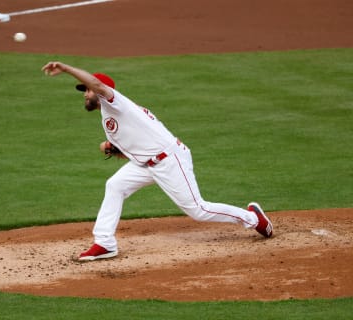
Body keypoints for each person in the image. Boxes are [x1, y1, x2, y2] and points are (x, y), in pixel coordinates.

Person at [41, 61, 273, 261]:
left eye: (88, 90)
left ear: (100, 91)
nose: (85, 93)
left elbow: (98, 84)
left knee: (198, 210)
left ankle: (253, 218)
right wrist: (114, 149)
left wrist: (65, 67)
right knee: (115, 185)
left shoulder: (115, 101)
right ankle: (105, 243)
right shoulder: (109, 115)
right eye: (85, 91)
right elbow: (137, 148)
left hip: (170, 160)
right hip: (147, 164)